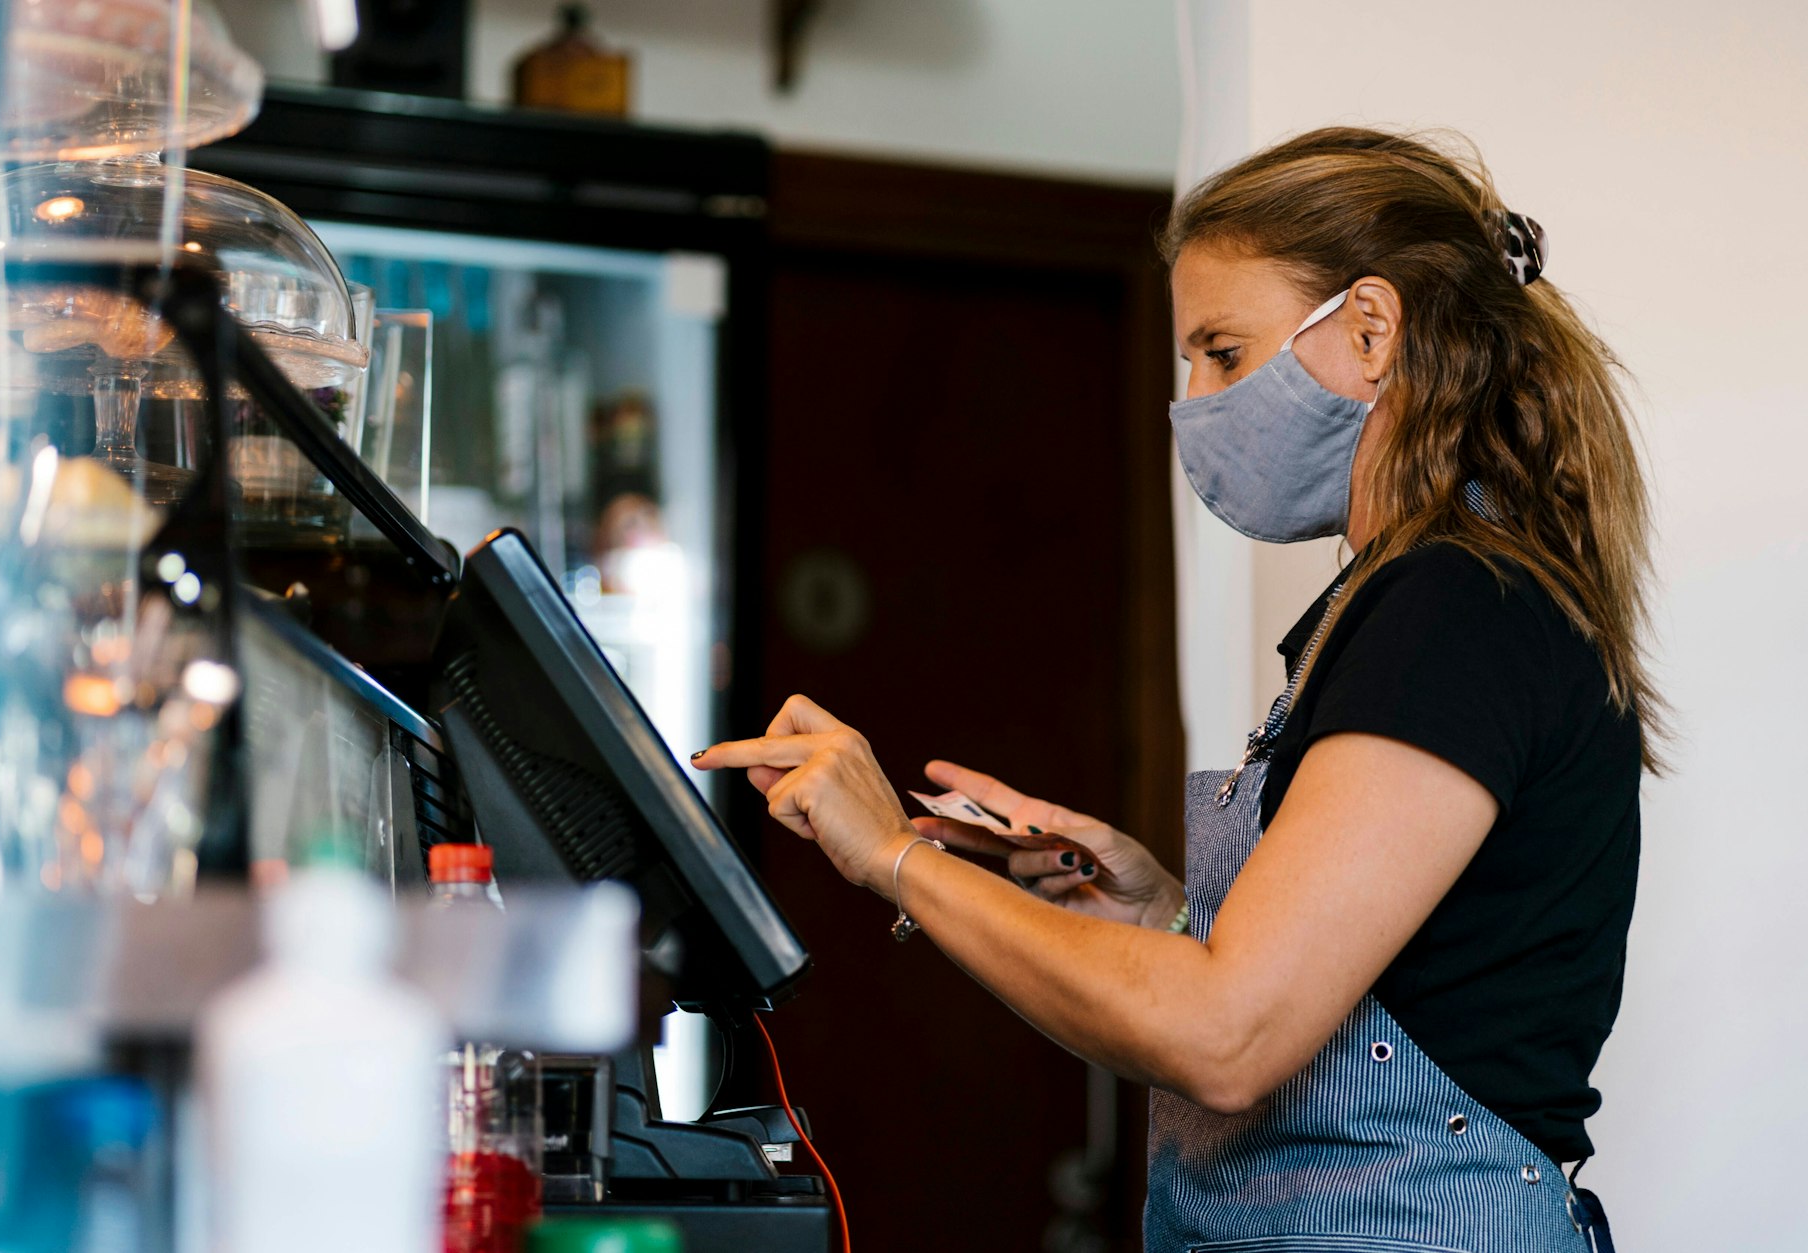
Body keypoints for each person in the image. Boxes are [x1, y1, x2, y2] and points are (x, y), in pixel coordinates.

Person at [692, 127, 1654, 1252]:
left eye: (1223, 353)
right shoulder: (1402, 603)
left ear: (1371, 330)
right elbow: (1388, 978)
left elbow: (1228, 1035)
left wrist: (891, 855)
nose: (1191, 402)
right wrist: (1160, 917)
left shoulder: (1454, 612)